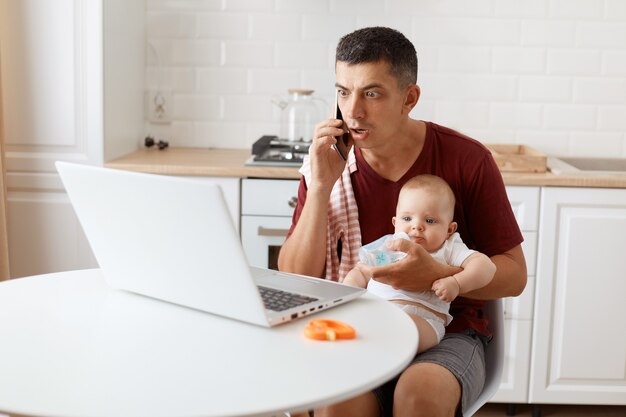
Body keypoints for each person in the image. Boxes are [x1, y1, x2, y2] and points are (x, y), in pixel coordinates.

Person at [278, 26, 527, 417]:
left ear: (409, 98)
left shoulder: (468, 160)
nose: (353, 111)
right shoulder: (328, 163)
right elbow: (297, 278)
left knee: (418, 395)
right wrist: (322, 185)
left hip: (448, 331)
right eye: (343, 92)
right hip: (364, 326)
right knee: (335, 404)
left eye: (372, 93)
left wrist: (437, 274)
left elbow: (515, 277)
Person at [343, 174, 496, 354]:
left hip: (423, 321)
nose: (416, 226)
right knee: (354, 325)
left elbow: (486, 267)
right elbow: (362, 272)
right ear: (395, 222)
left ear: (449, 229)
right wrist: (347, 295)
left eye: (430, 221)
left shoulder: (448, 247)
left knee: (402, 332)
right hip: (377, 312)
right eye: (407, 219)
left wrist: (457, 283)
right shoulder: (392, 244)